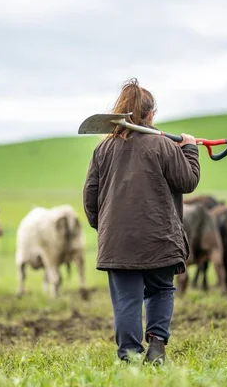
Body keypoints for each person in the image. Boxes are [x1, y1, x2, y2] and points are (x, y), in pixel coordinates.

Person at [82, 78, 200, 364]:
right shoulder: (163, 146)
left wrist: (107, 228)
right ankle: (157, 348)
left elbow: (90, 195)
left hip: (118, 241)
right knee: (161, 289)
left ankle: (130, 358)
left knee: (127, 300)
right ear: (151, 114)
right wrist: (190, 149)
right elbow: (188, 181)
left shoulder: (103, 149)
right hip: (159, 237)